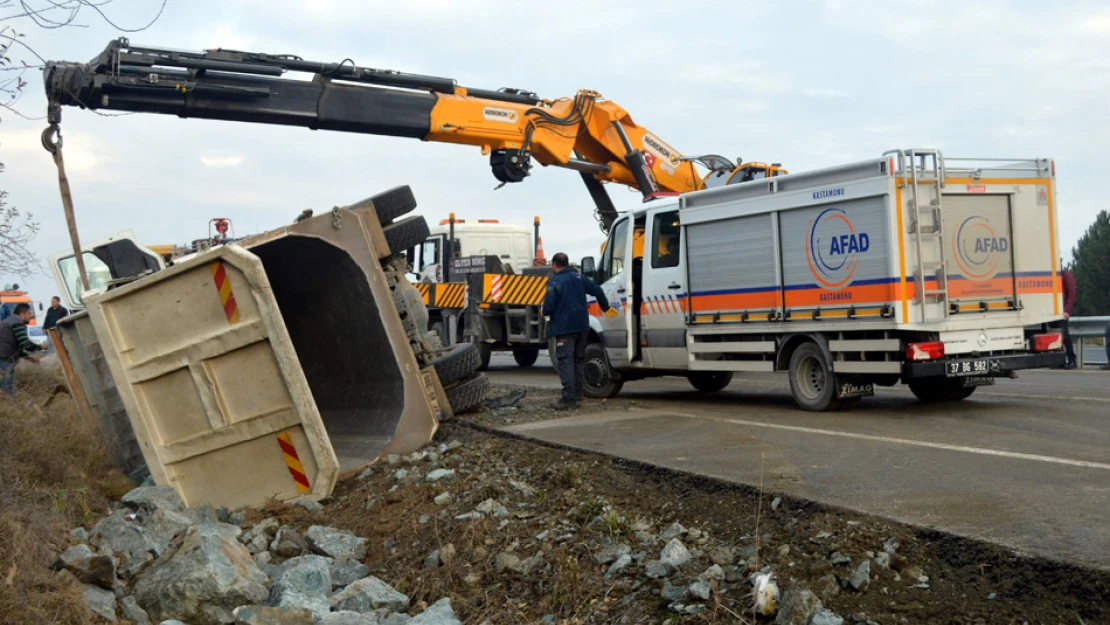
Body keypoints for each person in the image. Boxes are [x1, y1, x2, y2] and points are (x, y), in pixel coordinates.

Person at [542, 252, 615, 410]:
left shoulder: (554, 282)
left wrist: (545, 310)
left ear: (554, 264)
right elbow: (597, 290)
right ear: (567, 264)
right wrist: (605, 307)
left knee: (565, 361)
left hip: (564, 328)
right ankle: (577, 394)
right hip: (583, 327)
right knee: (578, 360)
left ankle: (568, 398)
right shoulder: (580, 278)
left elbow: (547, 308)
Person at [0, 303, 44, 397]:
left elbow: (12, 345)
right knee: (7, 390)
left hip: (3, 358)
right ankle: (10, 409)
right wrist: (41, 346)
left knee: (3, 387)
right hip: (4, 360)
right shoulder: (17, 323)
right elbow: (26, 344)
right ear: (22, 314)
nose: (30, 316)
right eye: (28, 313)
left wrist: (28, 357)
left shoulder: (7, 322)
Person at [1057, 268, 1077, 369]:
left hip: (1062, 311)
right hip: (1054, 310)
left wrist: (1067, 311)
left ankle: (1072, 360)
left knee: (1065, 335)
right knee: (1056, 335)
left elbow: (1071, 294)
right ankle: (1058, 360)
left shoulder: (1066, 276)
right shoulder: (1053, 276)